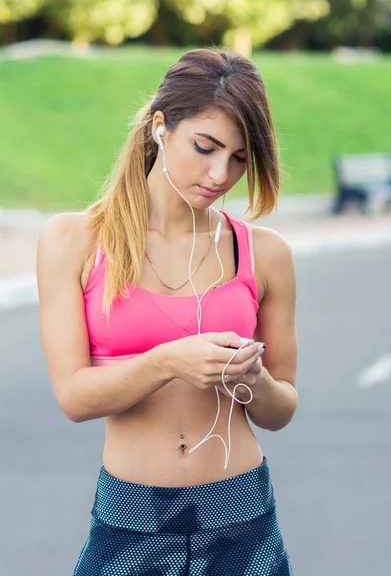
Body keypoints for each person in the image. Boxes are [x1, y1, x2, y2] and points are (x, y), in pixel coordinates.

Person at [37, 47, 298, 576]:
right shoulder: (74, 240)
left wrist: (253, 380)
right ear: (160, 126)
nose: (220, 173)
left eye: (241, 158)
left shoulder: (265, 253)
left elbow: (280, 410)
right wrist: (168, 362)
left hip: (241, 514)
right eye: (205, 147)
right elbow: (73, 397)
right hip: (130, 517)